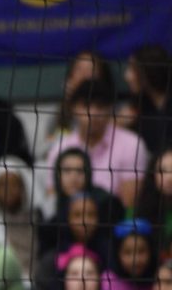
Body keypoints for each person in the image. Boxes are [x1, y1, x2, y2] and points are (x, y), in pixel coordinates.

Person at [45, 78, 149, 212]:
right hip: (68, 225)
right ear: (73, 109)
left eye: (100, 106)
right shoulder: (60, 148)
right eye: (86, 105)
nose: (93, 113)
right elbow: (53, 199)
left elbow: (129, 205)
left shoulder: (132, 144)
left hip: (113, 224)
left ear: (110, 109)